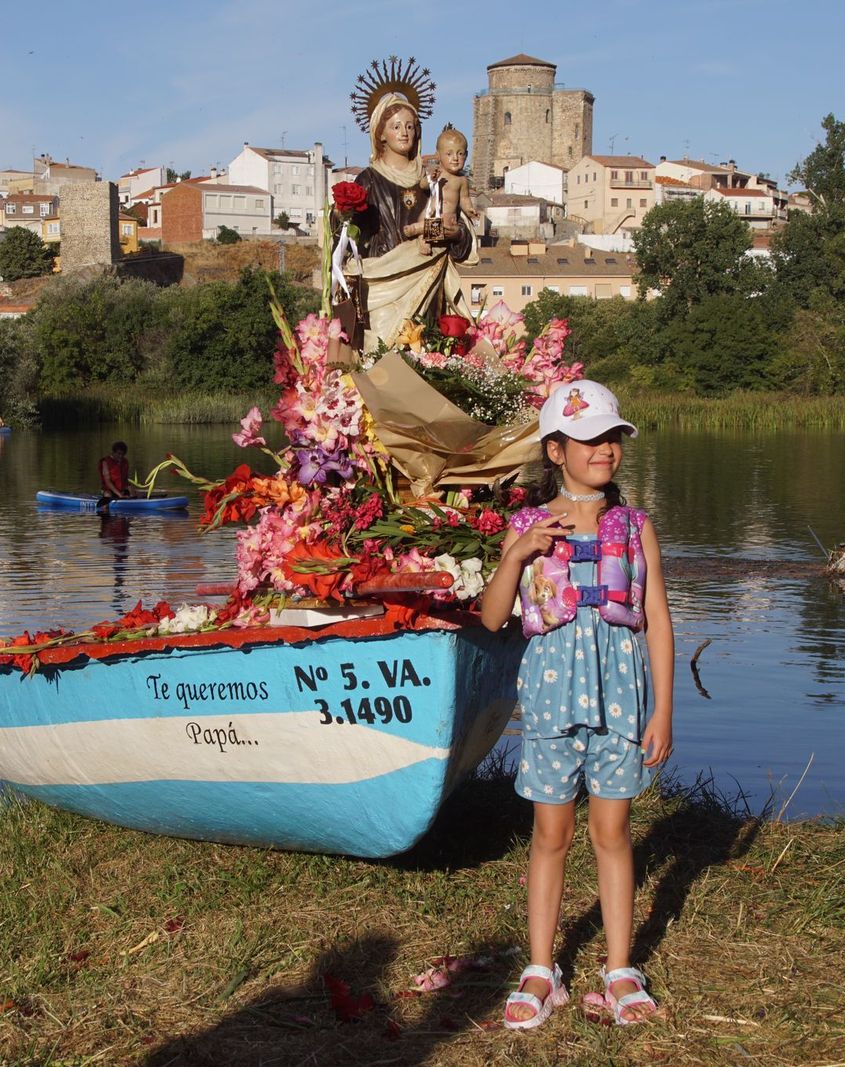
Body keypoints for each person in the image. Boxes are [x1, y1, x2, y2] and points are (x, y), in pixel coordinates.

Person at [479, 379, 674, 1030]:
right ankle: (542, 968)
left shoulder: (636, 527)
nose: (605, 449)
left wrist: (663, 710)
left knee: (612, 833)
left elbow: (658, 620)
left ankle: (619, 969)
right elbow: (492, 616)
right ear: (555, 450)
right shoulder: (528, 527)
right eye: (590, 439)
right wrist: (517, 554)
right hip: (550, 703)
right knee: (550, 835)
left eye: (612, 437)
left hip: (622, 704)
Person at [351, 92, 479, 351]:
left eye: (410, 126)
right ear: (380, 133)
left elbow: (459, 232)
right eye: (396, 126)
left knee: (423, 354)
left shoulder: (435, 178)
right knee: (379, 356)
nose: (404, 133)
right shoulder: (368, 180)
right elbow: (350, 237)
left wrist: (455, 234)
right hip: (383, 279)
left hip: (427, 279)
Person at [412, 125, 480, 256]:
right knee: (426, 218)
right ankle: (422, 237)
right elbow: (423, 185)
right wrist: (431, 178)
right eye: (449, 154)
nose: (455, 158)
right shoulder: (437, 173)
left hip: (449, 217)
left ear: (466, 155)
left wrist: (469, 210)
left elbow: (464, 199)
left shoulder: (462, 180)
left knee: (445, 227)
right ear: (438, 155)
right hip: (432, 212)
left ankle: (417, 230)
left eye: (460, 154)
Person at [98, 441, 132, 509]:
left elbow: (126, 480)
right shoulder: (105, 462)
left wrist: (131, 490)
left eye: (123, 454)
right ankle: (105, 512)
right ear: (113, 452)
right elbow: (108, 482)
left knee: (135, 493)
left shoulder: (125, 462)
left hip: (121, 489)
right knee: (108, 495)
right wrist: (119, 495)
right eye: (119, 454)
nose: (121, 456)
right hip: (109, 490)